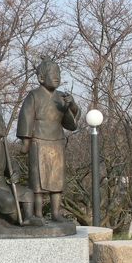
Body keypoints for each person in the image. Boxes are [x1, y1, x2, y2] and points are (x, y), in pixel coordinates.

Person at [16, 59, 80, 221]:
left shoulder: (61, 97)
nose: (57, 77)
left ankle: (56, 213)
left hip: (57, 141)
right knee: (38, 182)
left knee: (56, 180)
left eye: (59, 74)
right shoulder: (34, 95)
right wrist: (26, 141)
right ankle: (37, 214)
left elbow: (70, 124)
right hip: (38, 141)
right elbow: (26, 117)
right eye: (53, 74)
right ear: (41, 78)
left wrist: (72, 106)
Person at [0, 111, 39, 225]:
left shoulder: (3, 146)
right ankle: (15, 221)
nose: (4, 126)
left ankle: (28, 218)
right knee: (8, 200)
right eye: (0, 123)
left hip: (3, 184)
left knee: (27, 193)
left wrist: (15, 173)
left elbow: (11, 163)